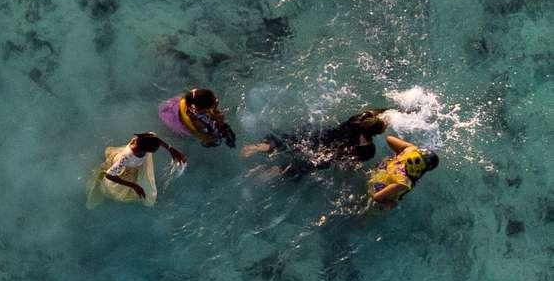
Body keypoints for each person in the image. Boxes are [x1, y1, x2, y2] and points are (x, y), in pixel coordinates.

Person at [240, 107, 390, 179]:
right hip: (326, 156)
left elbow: (376, 112)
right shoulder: (368, 151)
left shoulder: (358, 120)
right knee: (301, 167)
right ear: (376, 134)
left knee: (290, 140)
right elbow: (349, 164)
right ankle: (271, 173)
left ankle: (264, 146)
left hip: (321, 136)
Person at [87, 132, 188, 207]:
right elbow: (109, 175)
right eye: (153, 150)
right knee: (118, 189)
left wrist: (171, 149)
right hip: (125, 169)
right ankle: (98, 185)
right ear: (144, 149)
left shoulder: (143, 139)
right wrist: (134, 185)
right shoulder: (127, 157)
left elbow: (156, 139)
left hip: (131, 163)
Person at [366, 135, 439, 209]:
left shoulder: (410, 149)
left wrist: (399, 154)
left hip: (380, 169)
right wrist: (392, 203)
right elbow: (376, 197)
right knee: (390, 206)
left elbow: (389, 138)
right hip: (376, 185)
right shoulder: (404, 182)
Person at [158, 86, 236, 148]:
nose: (217, 100)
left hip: (177, 109)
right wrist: (219, 122)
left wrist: (214, 110)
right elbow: (208, 134)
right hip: (181, 125)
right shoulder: (199, 122)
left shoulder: (194, 99)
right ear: (205, 109)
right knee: (219, 140)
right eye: (214, 100)